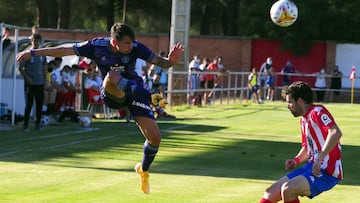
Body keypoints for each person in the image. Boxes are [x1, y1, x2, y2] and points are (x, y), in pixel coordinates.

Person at [16, 22, 184, 194]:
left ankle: (144, 170)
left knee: (155, 138)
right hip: (112, 93)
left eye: (131, 43)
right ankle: (150, 96)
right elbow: (65, 50)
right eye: (126, 43)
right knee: (112, 76)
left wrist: (171, 61)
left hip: (134, 90)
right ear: (114, 42)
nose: (130, 46)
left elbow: (161, 62)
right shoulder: (96, 46)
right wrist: (32, 52)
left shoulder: (136, 47)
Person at [259, 81, 343, 203]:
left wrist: (319, 158)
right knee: (270, 193)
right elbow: (307, 148)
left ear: (300, 100)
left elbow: (336, 132)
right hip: (311, 166)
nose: (288, 106)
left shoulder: (318, 111)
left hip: (327, 171)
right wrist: (296, 160)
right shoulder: (304, 119)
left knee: (288, 189)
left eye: (290, 102)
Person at [18, 34, 47, 131]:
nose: (36, 42)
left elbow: (44, 66)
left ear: (40, 42)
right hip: (30, 84)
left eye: (38, 41)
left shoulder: (42, 53)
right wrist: (27, 78)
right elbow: (21, 68)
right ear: (31, 41)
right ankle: (25, 125)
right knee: (29, 104)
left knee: (39, 104)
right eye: (34, 41)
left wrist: (45, 79)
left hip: (40, 83)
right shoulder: (27, 53)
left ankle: (38, 124)